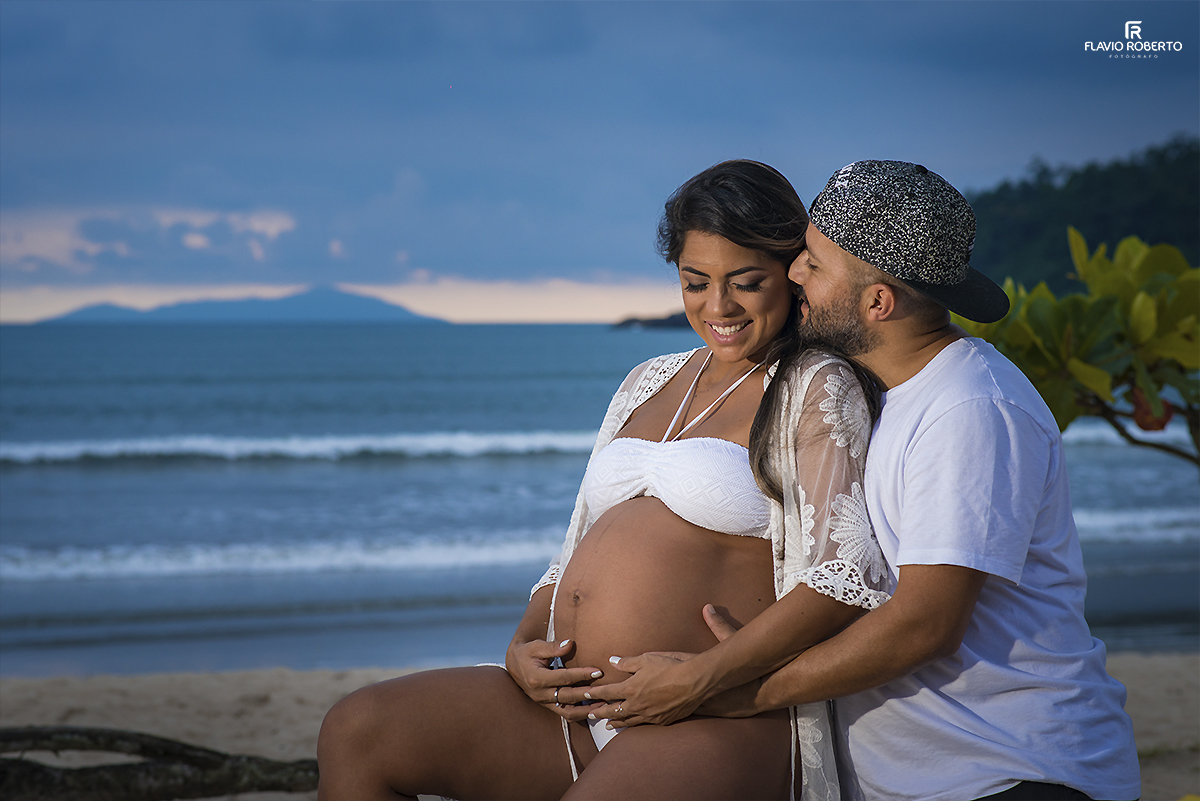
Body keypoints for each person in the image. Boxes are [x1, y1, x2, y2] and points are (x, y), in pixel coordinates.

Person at [315, 160, 889, 801]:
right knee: (358, 730)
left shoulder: (815, 386)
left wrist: (704, 678)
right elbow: (574, 547)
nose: (718, 306)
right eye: (695, 282)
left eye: (746, 282)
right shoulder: (648, 380)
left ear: (790, 271)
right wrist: (522, 645)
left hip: (711, 713)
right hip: (570, 712)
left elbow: (843, 578)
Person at [578, 161, 1142, 801]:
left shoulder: (969, 410)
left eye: (814, 265)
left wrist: (727, 690)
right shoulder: (871, 392)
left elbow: (924, 625)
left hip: (1008, 769)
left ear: (878, 301)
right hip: (913, 778)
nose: (793, 273)